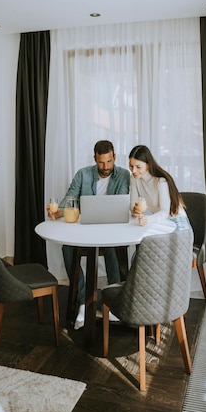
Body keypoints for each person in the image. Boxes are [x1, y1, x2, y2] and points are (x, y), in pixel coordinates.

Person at [47, 140, 130, 329]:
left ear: (114, 157)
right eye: (101, 162)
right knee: (67, 248)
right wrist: (58, 211)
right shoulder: (83, 174)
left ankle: (114, 302)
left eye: (109, 161)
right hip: (85, 229)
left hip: (111, 229)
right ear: (95, 159)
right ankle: (83, 301)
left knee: (111, 247)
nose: (106, 167)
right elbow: (70, 198)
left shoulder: (124, 175)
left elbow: (122, 202)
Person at [128, 144, 192, 230]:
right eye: (131, 166)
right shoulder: (134, 179)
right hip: (161, 221)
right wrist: (135, 211)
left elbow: (165, 212)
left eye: (138, 167)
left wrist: (148, 219)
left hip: (176, 220)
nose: (133, 170)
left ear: (148, 165)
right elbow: (133, 207)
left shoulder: (161, 181)